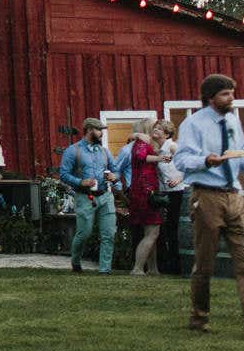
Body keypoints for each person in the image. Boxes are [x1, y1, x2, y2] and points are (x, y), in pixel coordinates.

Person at [172, 73, 244, 337]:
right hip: (207, 195)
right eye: (225, 94)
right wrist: (205, 160)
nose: (231, 98)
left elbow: (240, 156)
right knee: (205, 264)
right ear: (210, 97)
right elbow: (181, 160)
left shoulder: (233, 121)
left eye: (232, 93)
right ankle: (199, 317)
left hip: (235, 195)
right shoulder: (194, 124)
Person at [58, 117, 118, 275]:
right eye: (99, 130)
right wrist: (80, 182)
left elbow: (115, 170)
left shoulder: (105, 151)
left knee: (109, 234)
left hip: (106, 196)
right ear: (90, 130)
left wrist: (114, 176)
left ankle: (105, 269)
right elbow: (63, 174)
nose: (102, 134)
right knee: (84, 233)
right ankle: (76, 262)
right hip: (85, 197)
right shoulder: (73, 150)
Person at [126, 119, 164, 275]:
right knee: (153, 231)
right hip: (145, 191)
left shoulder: (141, 142)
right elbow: (142, 156)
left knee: (150, 231)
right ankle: (138, 268)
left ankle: (153, 269)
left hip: (142, 190)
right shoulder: (142, 144)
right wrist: (160, 158)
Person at [153, 119, 186, 275]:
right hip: (164, 192)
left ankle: (175, 266)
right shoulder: (159, 151)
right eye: (155, 128)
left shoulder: (172, 146)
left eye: (159, 129)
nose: (155, 130)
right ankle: (165, 263)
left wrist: (179, 178)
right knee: (163, 228)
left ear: (166, 134)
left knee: (171, 228)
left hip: (176, 191)